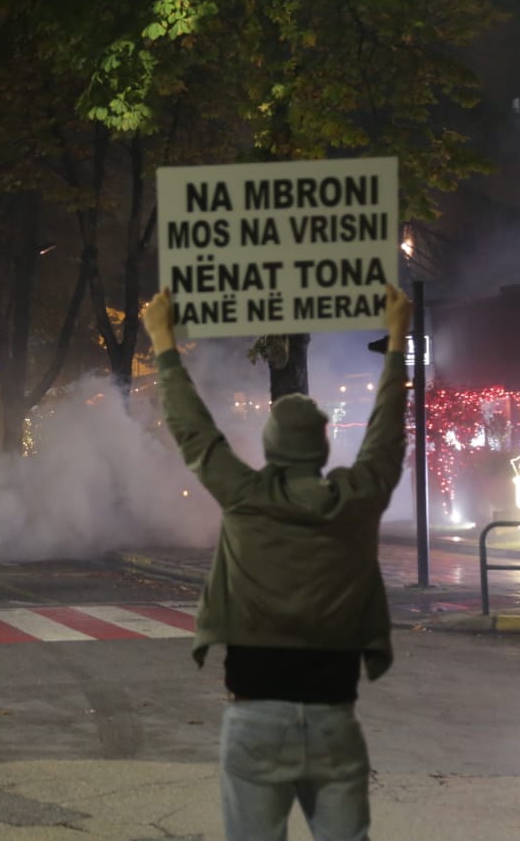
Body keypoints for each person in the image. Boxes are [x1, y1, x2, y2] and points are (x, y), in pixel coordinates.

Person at [141, 282, 414, 841]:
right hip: (335, 717)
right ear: (322, 449)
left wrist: (163, 340)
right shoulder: (354, 501)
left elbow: (194, 431)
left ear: (268, 447)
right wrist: (396, 339)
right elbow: (387, 436)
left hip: (254, 718)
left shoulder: (244, 496)